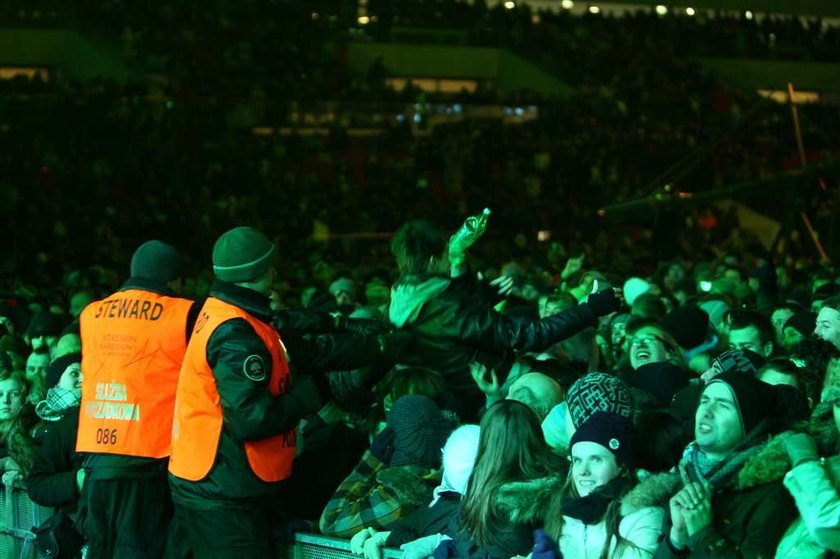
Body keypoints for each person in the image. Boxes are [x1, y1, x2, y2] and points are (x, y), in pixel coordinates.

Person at [168, 226, 329, 558]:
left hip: (207, 479)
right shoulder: (235, 331)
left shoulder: (219, 312)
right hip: (221, 490)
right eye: (268, 266)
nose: (274, 272)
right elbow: (250, 419)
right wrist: (309, 395)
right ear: (253, 273)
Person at [388, 219, 620, 420]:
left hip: (468, 390)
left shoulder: (406, 295)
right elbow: (530, 335)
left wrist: (478, 295)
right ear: (431, 261)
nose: (449, 259)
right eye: (445, 253)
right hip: (494, 388)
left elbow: (453, 314)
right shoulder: (447, 309)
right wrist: (591, 309)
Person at [76, 240, 199, 558]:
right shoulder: (182, 313)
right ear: (174, 280)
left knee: (100, 548)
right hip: (149, 459)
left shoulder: (92, 314)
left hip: (97, 459)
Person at [653, 371, 799, 557]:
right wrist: (676, 539)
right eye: (704, 401)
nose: (707, 411)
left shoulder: (772, 497)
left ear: (749, 424)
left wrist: (703, 534)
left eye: (723, 405)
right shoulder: (687, 474)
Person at [440, 400, 564, 559]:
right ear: (535, 431)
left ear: (486, 438)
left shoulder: (480, 484)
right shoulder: (565, 478)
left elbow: (461, 536)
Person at [320, 394, 452, 538]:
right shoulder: (452, 485)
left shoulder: (400, 498)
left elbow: (331, 521)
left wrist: (370, 463)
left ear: (393, 442)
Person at [541, 411, 664, 559]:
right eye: (577, 460)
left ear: (621, 467)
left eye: (595, 459)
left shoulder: (643, 516)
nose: (583, 471)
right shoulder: (564, 508)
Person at [349, 424, 480, 559]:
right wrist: (380, 535)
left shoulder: (467, 510)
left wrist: (389, 538)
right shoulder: (440, 496)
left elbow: (331, 520)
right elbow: (414, 533)